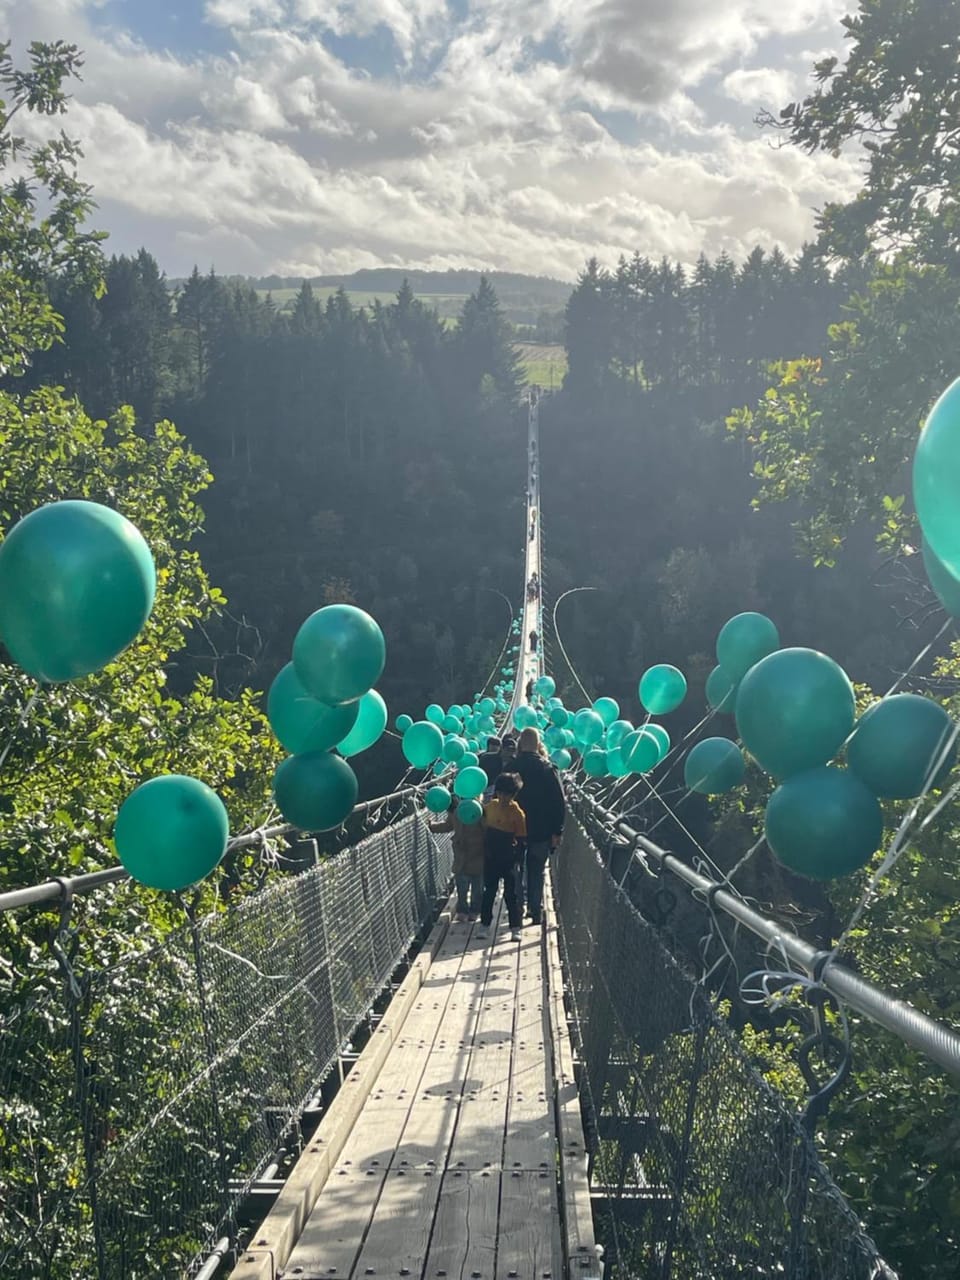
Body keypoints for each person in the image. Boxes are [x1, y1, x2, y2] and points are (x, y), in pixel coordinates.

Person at [514, 727, 566, 926]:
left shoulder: (511, 767)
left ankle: (517, 909)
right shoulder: (548, 769)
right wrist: (557, 831)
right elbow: (559, 802)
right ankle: (535, 911)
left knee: (515, 870)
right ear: (538, 744)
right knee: (536, 870)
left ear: (519, 744)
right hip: (541, 830)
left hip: (514, 830)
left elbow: (500, 798)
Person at [479, 773, 527, 941]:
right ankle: (484, 925)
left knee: (511, 894)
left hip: (508, 857)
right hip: (491, 856)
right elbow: (482, 826)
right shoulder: (490, 807)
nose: (504, 797)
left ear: (514, 795)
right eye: (501, 793)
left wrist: (518, 859)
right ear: (497, 792)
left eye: (509, 794)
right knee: (489, 892)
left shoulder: (517, 813)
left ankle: (515, 926)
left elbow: (521, 839)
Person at [429, 806, 484, 921]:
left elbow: (487, 828)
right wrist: (433, 826)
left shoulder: (480, 810)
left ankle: (474, 910)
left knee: (476, 887)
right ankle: (463, 910)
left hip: (477, 853)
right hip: (462, 855)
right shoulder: (456, 812)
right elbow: (448, 825)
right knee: (462, 886)